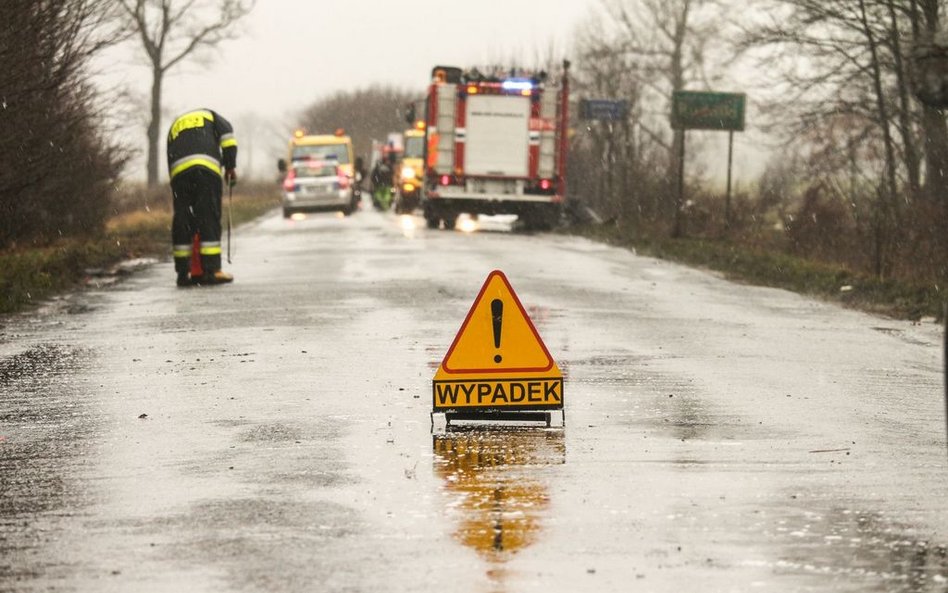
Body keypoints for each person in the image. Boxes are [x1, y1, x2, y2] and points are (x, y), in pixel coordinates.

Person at [166, 108, 238, 287]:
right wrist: (230, 167)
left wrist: (176, 182)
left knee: (182, 218)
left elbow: (169, 154)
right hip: (206, 169)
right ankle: (211, 270)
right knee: (208, 216)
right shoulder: (212, 116)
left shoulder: (175, 125)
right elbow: (228, 139)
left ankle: (183, 272)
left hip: (179, 173)